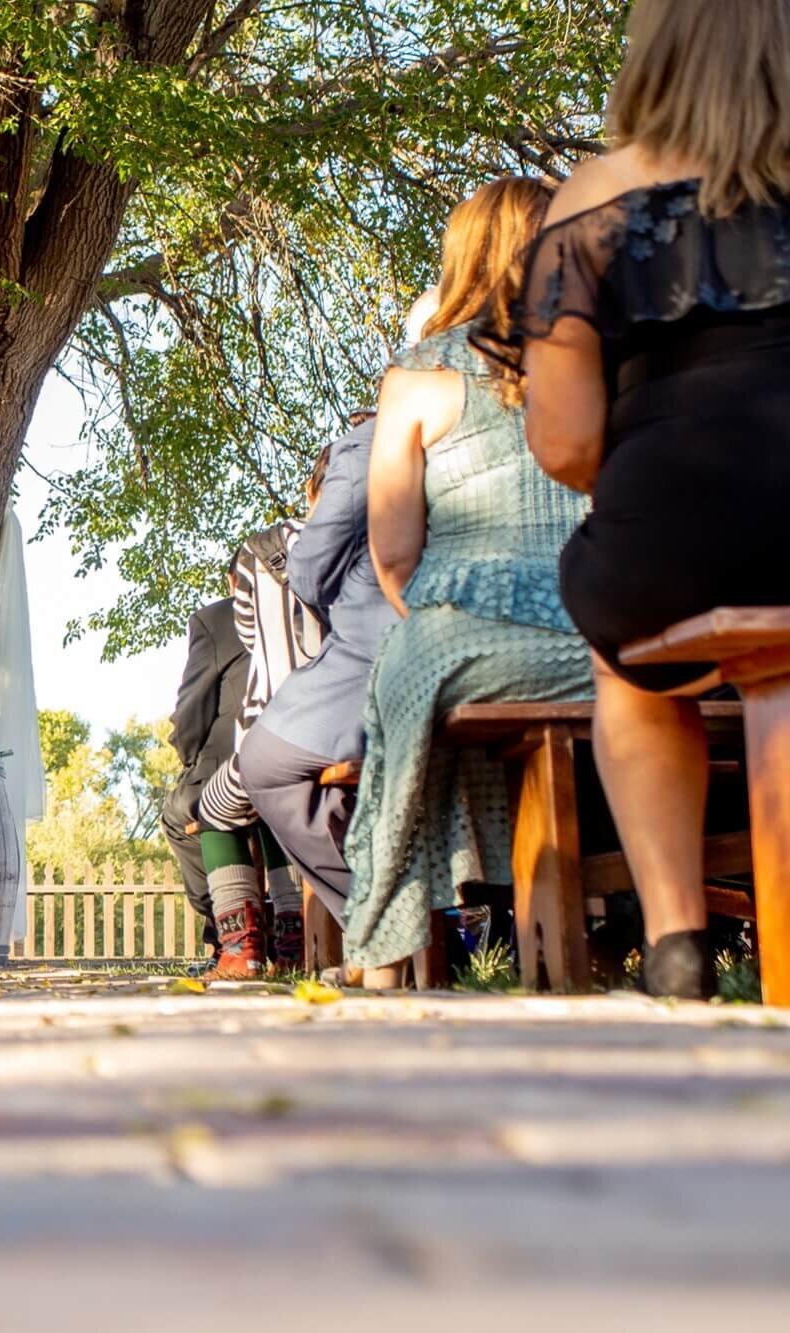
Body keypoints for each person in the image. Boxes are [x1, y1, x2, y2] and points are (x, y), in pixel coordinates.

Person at [504, 0, 790, 1000]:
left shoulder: (595, 197)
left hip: (674, 527)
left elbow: (563, 441)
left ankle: (675, 942)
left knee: (627, 654)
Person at [344, 177, 592, 986]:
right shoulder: (603, 359)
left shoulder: (417, 377)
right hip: (607, 627)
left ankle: (386, 938)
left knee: (410, 679)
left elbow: (394, 555)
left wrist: (443, 618)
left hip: (469, 634)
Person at [244, 410, 399, 930]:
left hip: (386, 666)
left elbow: (309, 574)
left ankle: (381, 915)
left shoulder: (365, 447)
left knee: (262, 764)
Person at [193, 483, 329, 978]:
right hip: (363, 726)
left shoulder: (262, 550)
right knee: (275, 805)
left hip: (286, 727)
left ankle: (243, 948)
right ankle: (293, 937)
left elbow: (250, 636)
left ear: (314, 490)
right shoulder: (369, 538)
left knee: (217, 806)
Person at [161, 582, 246, 965]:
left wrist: (191, 761)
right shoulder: (317, 604)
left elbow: (192, 709)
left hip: (234, 766)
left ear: (234, 581)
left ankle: (231, 935)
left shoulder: (219, 618)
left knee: (181, 815)